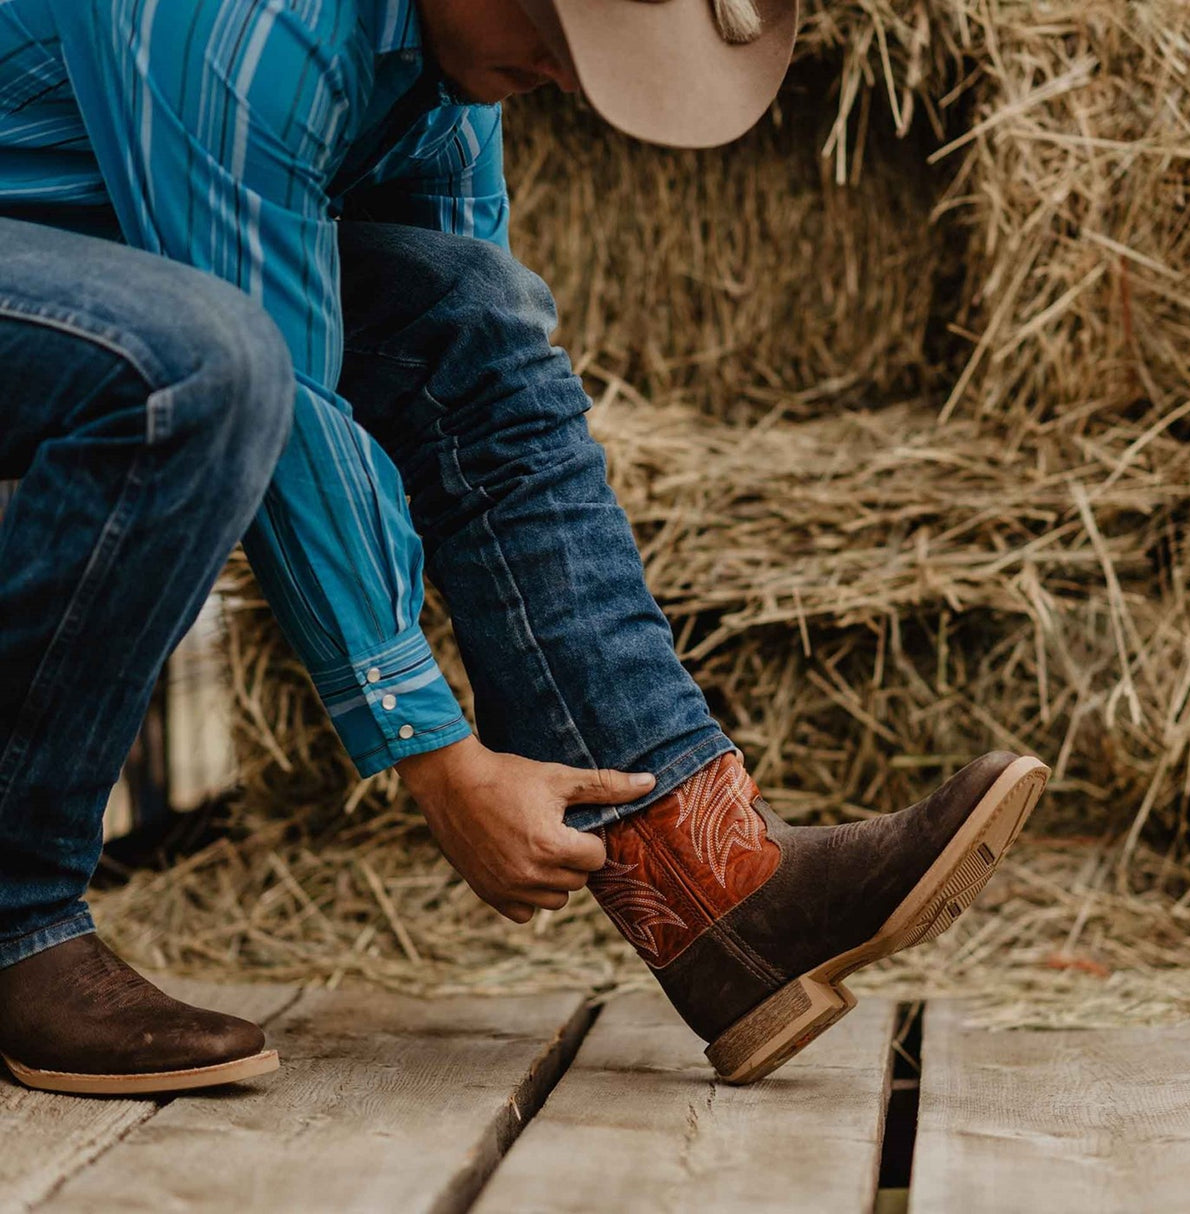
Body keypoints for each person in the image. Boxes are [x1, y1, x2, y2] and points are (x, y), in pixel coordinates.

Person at [0, 0, 1049, 1096]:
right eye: (553, 27)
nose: (562, 74)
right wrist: (435, 752)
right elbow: (291, 396)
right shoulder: (251, 27)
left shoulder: (449, 62)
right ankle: (12, 922)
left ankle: (712, 885)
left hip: (90, 258)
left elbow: (472, 355)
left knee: (464, 311)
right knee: (207, 365)